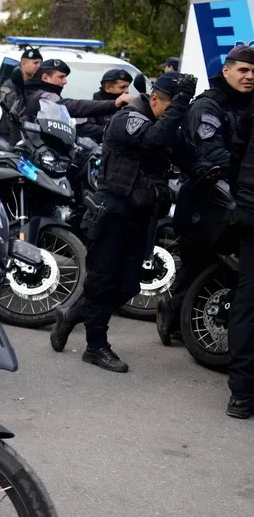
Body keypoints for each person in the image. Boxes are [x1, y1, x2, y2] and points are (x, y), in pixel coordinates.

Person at [50, 71, 198, 372]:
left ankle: (74, 313)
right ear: (155, 99)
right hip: (113, 211)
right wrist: (178, 109)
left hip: (142, 214)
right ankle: (95, 346)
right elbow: (152, 141)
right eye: (172, 108)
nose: (175, 116)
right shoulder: (129, 118)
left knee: (130, 284)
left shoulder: (162, 121)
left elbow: (182, 154)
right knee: (102, 280)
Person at [157, 46, 254, 348]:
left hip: (236, 196)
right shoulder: (208, 107)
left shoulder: (248, 104)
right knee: (198, 262)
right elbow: (212, 154)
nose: (250, 77)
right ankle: (171, 314)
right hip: (207, 196)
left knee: (222, 264)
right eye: (243, 70)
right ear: (226, 71)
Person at [23, 58, 130, 128]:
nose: (65, 81)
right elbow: (70, 106)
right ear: (45, 77)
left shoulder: (39, 92)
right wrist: (114, 103)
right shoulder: (39, 96)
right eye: (61, 77)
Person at [0, 47, 42, 144]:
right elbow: (10, 106)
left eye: (40, 63)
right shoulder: (9, 84)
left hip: (29, 137)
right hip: (8, 136)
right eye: (35, 63)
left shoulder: (37, 84)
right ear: (23, 64)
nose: (39, 66)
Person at [80, 68, 134, 137]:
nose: (127, 91)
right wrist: (111, 131)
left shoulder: (129, 106)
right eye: (122, 87)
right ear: (107, 88)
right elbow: (83, 129)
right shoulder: (92, 106)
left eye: (127, 87)